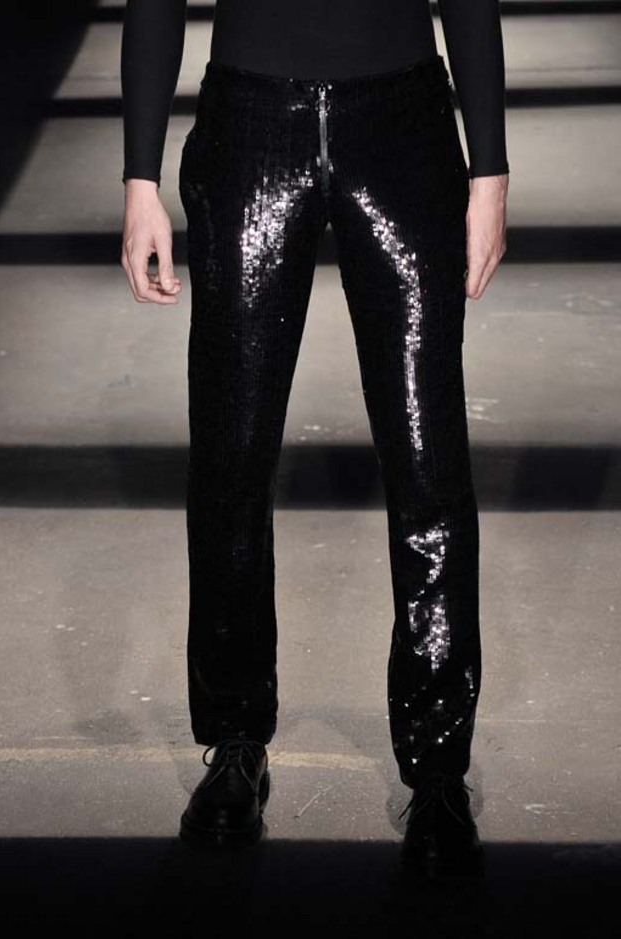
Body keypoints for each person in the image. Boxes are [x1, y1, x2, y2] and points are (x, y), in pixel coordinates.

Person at [120, 0, 509, 874]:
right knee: (231, 454)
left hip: (403, 126)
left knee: (427, 459)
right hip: (249, 124)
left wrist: (489, 168)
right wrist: (139, 178)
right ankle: (234, 742)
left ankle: (437, 766)